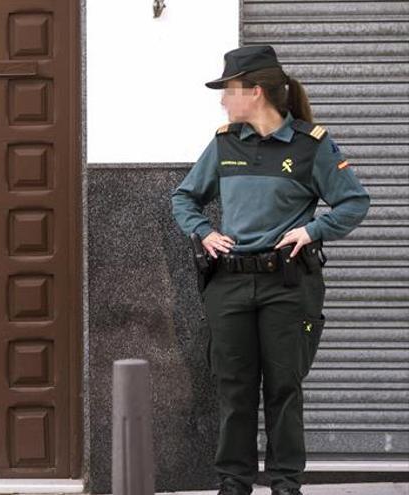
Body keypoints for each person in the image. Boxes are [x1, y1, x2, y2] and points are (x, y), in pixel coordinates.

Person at [171, 45, 370, 495]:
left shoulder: (310, 146)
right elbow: (183, 197)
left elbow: (355, 200)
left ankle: (285, 485)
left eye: (229, 90)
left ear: (255, 91)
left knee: (283, 390)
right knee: (235, 391)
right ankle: (234, 483)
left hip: (287, 283)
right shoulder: (224, 143)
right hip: (230, 283)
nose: (223, 100)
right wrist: (203, 231)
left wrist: (313, 231)